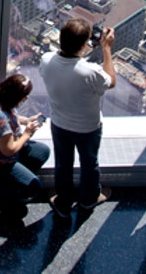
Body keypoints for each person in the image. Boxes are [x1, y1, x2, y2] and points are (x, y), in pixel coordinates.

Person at [39, 18, 115, 219]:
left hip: (59, 123)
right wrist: (106, 49)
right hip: (88, 128)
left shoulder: (46, 61)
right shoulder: (90, 72)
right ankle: (89, 198)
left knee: (63, 163)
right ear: (84, 45)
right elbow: (111, 82)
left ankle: (63, 202)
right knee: (89, 163)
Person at [0, 74, 49, 218]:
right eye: (24, 97)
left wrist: (25, 121)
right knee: (34, 186)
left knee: (42, 151)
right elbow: (8, 150)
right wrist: (27, 133)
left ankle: (11, 185)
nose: (25, 99)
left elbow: (9, 117)